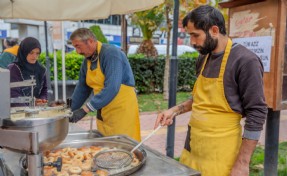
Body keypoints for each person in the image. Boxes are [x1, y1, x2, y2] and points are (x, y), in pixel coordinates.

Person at [154, 5, 267, 176]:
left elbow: (257, 112)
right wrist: (175, 110)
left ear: (214, 30)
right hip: (193, 148)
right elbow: (199, 99)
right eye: (189, 35)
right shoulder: (203, 58)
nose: (192, 42)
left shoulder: (246, 61)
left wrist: (243, 163)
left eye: (195, 35)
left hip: (221, 154)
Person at [69, 28, 141, 142]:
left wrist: (85, 110)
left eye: (78, 46)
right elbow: (82, 89)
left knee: (124, 146)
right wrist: (68, 110)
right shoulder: (87, 61)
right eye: (75, 47)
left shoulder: (111, 54)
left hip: (122, 109)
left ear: (91, 41)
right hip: (103, 108)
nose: (77, 51)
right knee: (107, 144)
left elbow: (112, 87)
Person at [8, 37, 48, 107]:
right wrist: (27, 110)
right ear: (24, 51)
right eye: (31, 52)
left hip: (36, 112)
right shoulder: (14, 69)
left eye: (37, 53)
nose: (34, 56)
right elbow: (13, 94)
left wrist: (41, 100)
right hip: (17, 112)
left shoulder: (41, 70)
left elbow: (44, 90)